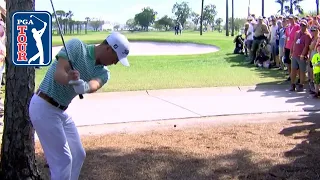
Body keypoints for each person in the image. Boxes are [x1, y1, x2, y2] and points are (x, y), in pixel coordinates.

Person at [28, 32, 130, 180]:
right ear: (109, 49)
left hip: (60, 111)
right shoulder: (76, 46)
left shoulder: (103, 72)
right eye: (116, 58)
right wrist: (69, 79)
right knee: (63, 160)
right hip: (43, 105)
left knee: (78, 154)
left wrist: (85, 87)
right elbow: (58, 74)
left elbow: (95, 84)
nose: (115, 63)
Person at [289, 20, 312, 92]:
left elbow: (306, 46)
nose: (302, 27)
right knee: (293, 70)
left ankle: (301, 85)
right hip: (295, 54)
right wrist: (291, 51)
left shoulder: (307, 35)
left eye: (304, 25)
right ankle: (292, 84)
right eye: (301, 25)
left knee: (302, 71)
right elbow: (294, 42)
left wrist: (302, 55)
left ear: (306, 26)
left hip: (301, 56)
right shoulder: (297, 33)